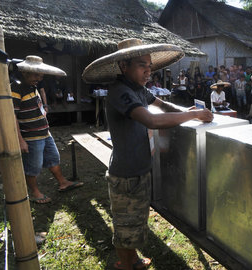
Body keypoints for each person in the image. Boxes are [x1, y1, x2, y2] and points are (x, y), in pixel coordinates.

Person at [82, 38, 213, 270]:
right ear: (124, 66)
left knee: (135, 220)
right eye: (142, 65)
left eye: (150, 66)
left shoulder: (138, 90)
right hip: (126, 173)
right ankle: (125, 264)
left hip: (139, 167)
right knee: (125, 224)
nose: (148, 71)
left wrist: (186, 110)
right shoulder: (119, 92)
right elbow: (152, 119)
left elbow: (162, 106)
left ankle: (133, 260)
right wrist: (193, 116)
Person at [12, 56, 84, 204]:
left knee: (53, 158)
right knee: (33, 166)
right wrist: (20, 140)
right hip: (31, 137)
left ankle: (63, 182)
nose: (39, 77)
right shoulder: (16, 89)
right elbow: (12, 117)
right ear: (25, 72)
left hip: (45, 132)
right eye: (36, 74)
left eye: (41, 74)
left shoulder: (33, 87)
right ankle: (34, 193)